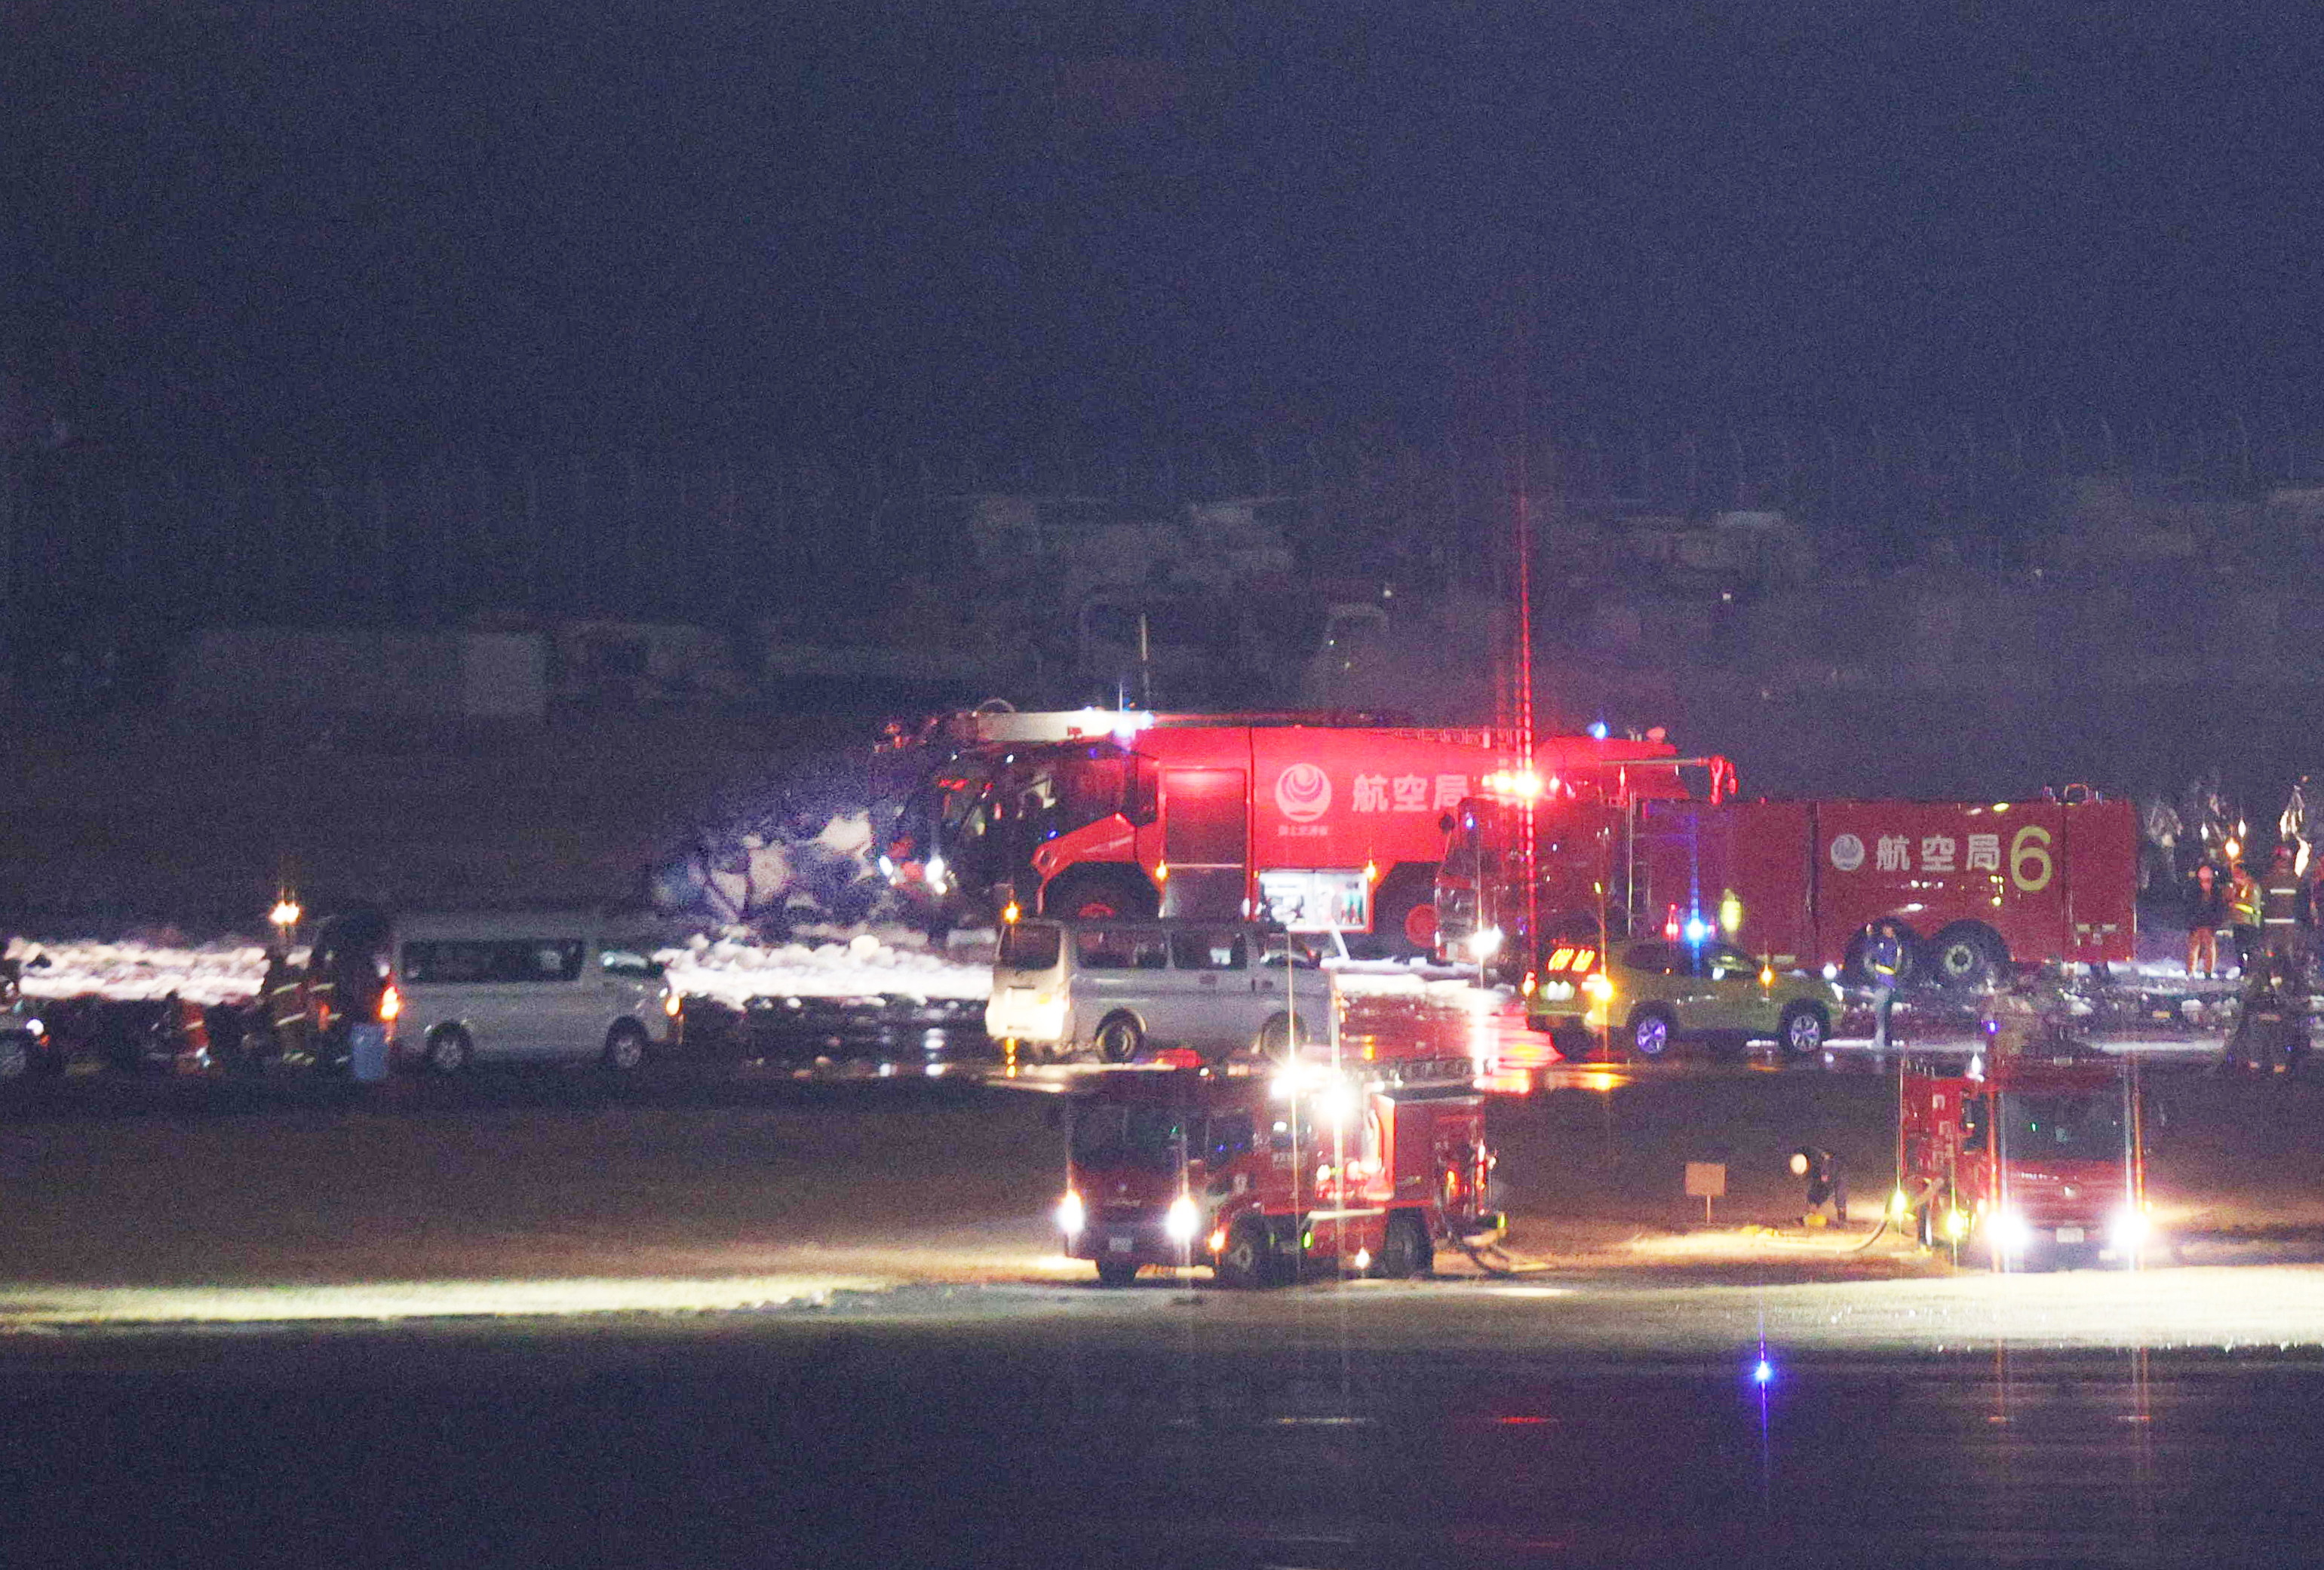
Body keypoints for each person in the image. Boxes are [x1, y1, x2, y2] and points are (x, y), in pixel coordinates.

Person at [1866, 920, 1905, 1051]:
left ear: (1891, 930)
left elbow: (1876, 952)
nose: (1884, 930)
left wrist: (1870, 936)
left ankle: (1879, 1042)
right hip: (1889, 982)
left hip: (1884, 982)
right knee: (1886, 1015)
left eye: (1887, 928)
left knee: (1880, 1014)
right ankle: (1888, 1041)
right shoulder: (1895, 943)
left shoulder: (1890, 944)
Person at [2186, 862, 2226, 980]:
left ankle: (2195, 971)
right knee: (2201, 948)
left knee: (2200, 949)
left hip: (2204, 924)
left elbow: (2189, 907)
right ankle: (2197, 971)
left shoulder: (2196, 890)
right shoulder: (2213, 891)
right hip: (2202, 923)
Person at [1789, 1145, 1847, 1226]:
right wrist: (1813, 1202)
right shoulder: (1804, 1155)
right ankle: (1811, 1215)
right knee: (1814, 1194)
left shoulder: (1824, 1164)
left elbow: (1828, 1187)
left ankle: (1842, 1219)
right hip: (1823, 1171)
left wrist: (1825, 1175)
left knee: (1838, 1191)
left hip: (1836, 1169)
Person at [2228, 860, 2264, 977]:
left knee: (2250, 949)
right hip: (2238, 922)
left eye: (2238, 872)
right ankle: (2243, 971)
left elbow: (2251, 904)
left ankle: (2251, 972)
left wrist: (2235, 903)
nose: (2235, 875)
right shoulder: (2235, 886)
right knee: (2239, 949)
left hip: (2249, 923)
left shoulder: (2252, 886)